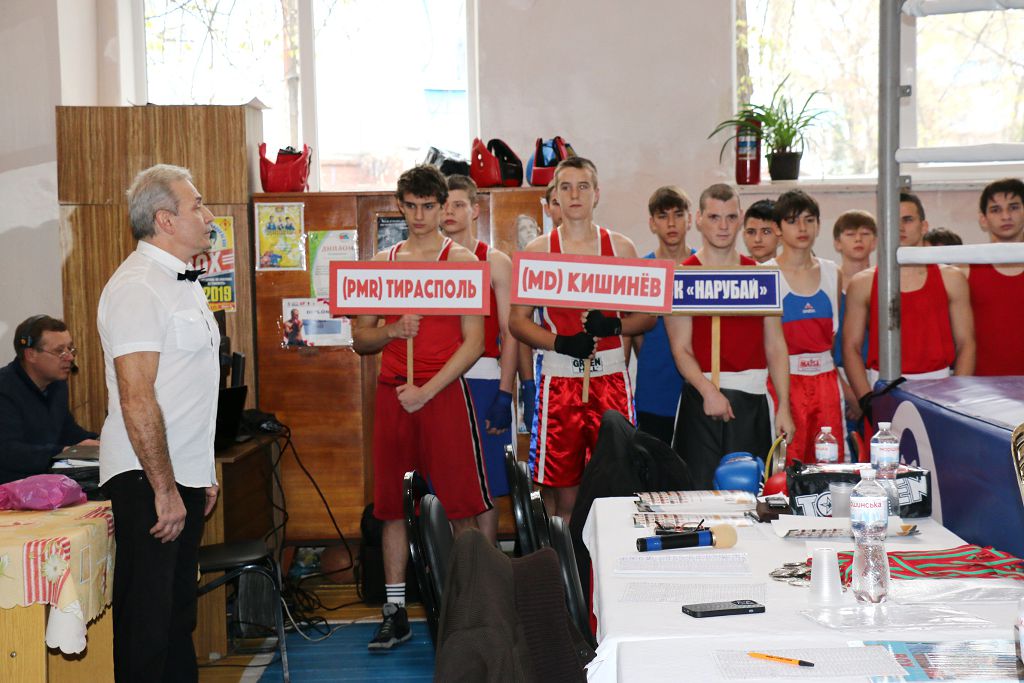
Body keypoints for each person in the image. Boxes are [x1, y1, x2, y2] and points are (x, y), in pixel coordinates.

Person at [352, 165, 490, 650]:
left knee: (461, 505)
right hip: (395, 392)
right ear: (400, 205)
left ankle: (467, 607)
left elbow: (474, 342)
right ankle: (395, 610)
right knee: (391, 506)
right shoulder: (382, 263)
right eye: (410, 206)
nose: (418, 216)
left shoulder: (463, 261)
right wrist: (392, 330)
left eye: (427, 206)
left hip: (441, 393)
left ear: (442, 206)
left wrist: (428, 391)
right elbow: (360, 339)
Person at [97, 164, 220, 681]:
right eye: (198, 205)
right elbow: (137, 397)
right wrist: (165, 489)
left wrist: (200, 471)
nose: (208, 215)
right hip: (146, 478)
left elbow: (188, 390)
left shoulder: (181, 281)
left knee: (176, 619)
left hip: (177, 473)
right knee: (147, 626)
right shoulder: (137, 286)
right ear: (165, 220)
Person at [509, 157, 651, 523]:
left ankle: (611, 561)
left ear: (596, 193)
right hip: (560, 381)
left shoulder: (621, 247)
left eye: (583, 186)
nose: (575, 194)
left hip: (611, 379)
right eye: (566, 187)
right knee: (565, 498)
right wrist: (559, 342)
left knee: (618, 494)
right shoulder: (538, 251)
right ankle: (568, 562)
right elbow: (517, 322)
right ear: (555, 195)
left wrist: (614, 326)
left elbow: (648, 317)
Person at [664, 183, 795, 489]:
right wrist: (708, 391)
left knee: (751, 496)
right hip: (700, 399)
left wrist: (784, 405)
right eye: (714, 217)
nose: (723, 226)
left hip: (752, 400)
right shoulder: (682, 276)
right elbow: (680, 348)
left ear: (740, 219)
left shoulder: (762, 276)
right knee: (696, 495)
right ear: (698, 219)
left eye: (730, 217)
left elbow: (776, 346)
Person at [843, 192, 975, 414]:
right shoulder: (863, 283)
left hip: (941, 390)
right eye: (892, 221)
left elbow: (967, 343)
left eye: (907, 220)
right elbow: (850, 347)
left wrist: (956, 400)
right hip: (883, 387)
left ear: (924, 226)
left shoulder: (951, 278)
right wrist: (866, 399)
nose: (900, 228)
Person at [442, 174, 518, 543]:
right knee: (448, 481)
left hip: (485, 379)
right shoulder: (428, 262)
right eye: (444, 204)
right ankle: (456, 567)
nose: (450, 212)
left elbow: (510, 331)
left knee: (487, 485)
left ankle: (488, 566)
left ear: (474, 209)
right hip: (440, 382)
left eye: (458, 204)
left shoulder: (495, 261)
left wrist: (505, 392)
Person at [764, 190, 844, 464]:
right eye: (792, 221)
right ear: (777, 228)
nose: (802, 228)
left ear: (818, 225)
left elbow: (835, 342)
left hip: (826, 384)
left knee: (830, 465)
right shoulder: (766, 274)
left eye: (809, 220)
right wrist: (783, 403)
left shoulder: (833, 272)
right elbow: (771, 345)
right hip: (784, 383)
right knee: (787, 467)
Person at [0, 315, 98, 484]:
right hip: (10, 489)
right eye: (60, 351)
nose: (70, 357)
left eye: (70, 349)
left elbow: (67, 431)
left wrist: (99, 442)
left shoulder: (57, 385)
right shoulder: (4, 388)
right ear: (31, 354)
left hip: (48, 485)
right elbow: (8, 451)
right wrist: (66, 451)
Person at [632, 185, 691, 445]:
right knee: (654, 464)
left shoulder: (703, 268)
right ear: (652, 223)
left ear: (690, 219)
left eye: (678, 214)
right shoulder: (642, 271)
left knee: (694, 465)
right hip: (654, 388)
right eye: (663, 216)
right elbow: (636, 332)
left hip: (695, 388)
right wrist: (652, 357)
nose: (671, 223)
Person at [965, 178, 1024, 375]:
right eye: (996, 210)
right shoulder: (965, 269)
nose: (1006, 216)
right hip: (981, 385)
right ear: (983, 219)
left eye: (1013, 207)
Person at [518, 181, 563, 436]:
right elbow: (521, 325)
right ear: (547, 208)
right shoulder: (537, 255)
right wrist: (527, 384)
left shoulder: (601, 250)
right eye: (556, 202)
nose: (564, 207)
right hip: (549, 366)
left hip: (599, 371)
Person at [831, 210, 878, 438]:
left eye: (865, 233)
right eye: (850, 234)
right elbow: (823, 348)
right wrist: (851, 395)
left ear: (875, 242)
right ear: (837, 243)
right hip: (838, 380)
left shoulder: (886, 283)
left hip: (879, 378)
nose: (858, 239)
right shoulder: (829, 283)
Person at [742, 199, 780, 263]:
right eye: (751, 232)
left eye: (766, 232)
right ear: (744, 236)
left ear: (780, 236)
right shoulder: (733, 268)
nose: (757, 239)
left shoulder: (792, 268)